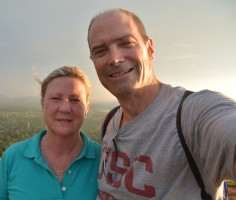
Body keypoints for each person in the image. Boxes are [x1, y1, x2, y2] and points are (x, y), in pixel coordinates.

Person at [87, 8, 236, 199]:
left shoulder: (191, 115)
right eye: (100, 51)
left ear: (149, 49)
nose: (115, 59)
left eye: (126, 43)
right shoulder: (109, 122)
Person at [0, 66, 101, 199]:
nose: (65, 108)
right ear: (42, 104)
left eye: (75, 100)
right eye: (55, 98)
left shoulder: (106, 160)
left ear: (87, 108)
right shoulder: (13, 157)